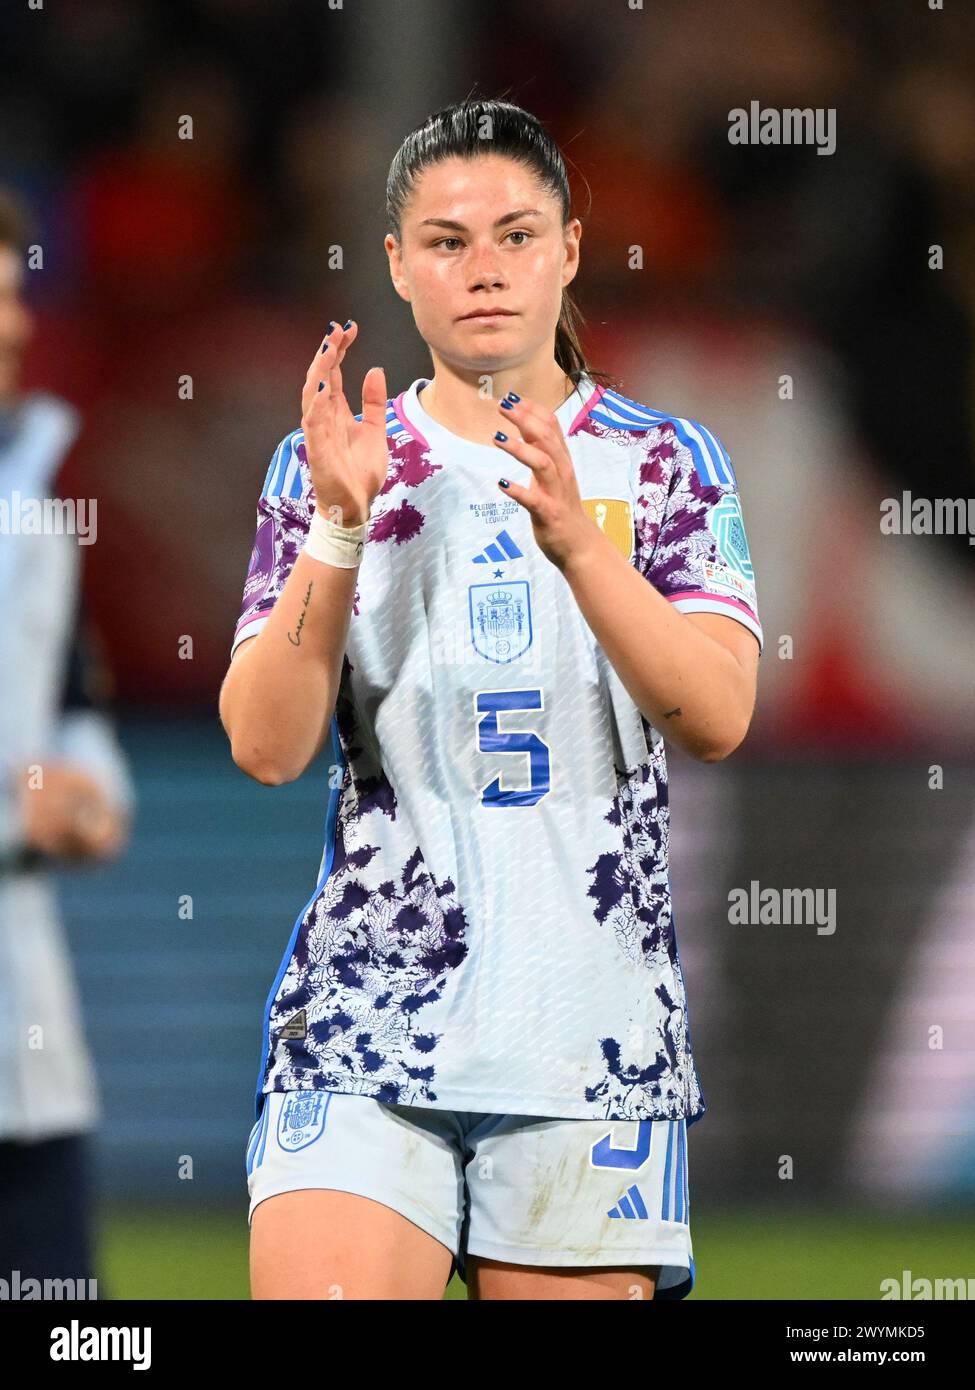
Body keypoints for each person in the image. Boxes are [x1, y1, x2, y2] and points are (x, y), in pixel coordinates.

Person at [219, 99, 762, 1302]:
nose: (486, 270)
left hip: (591, 1038)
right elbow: (265, 745)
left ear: (570, 250)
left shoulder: (667, 462)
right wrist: (340, 526)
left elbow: (719, 715)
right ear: (398, 266)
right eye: (449, 241)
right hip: (367, 1021)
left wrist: (578, 543)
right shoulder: (330, 462)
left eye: (518, 235)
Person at [0, 187, 134, 1293]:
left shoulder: (36, 509)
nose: (13, 325)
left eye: (12, 294)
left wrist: (88, 799)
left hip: (28, 1063)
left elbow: (75, 719)